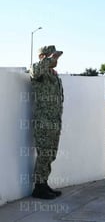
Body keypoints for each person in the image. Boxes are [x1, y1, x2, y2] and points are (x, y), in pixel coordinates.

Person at [30, 45, 64, 199]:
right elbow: (35, 72)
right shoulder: (37, 70)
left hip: (54, 121)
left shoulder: (53, 74)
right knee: (44, 153)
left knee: (51, 154)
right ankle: (38, 188)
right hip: (43, 121)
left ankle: (44, 183)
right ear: (43, 57)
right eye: (51, 56)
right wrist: (50, 60)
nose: (55, 60)